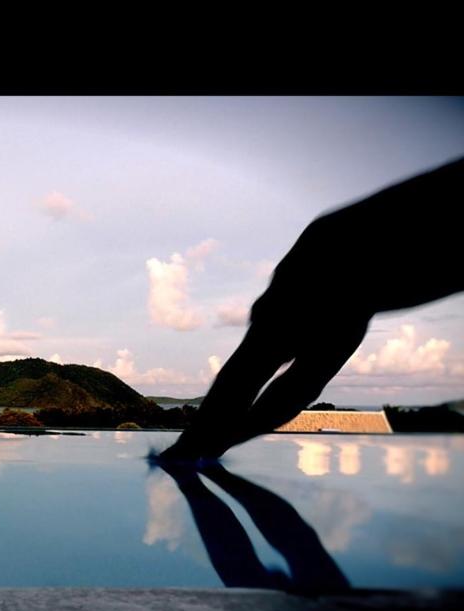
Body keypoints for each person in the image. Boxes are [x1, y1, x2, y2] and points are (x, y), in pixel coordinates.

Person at [160, 155, 464, 461]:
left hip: (355, 286)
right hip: (330, 255)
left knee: (286, 378)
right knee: (262, 364)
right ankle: (198, 448)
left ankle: (205, 447)